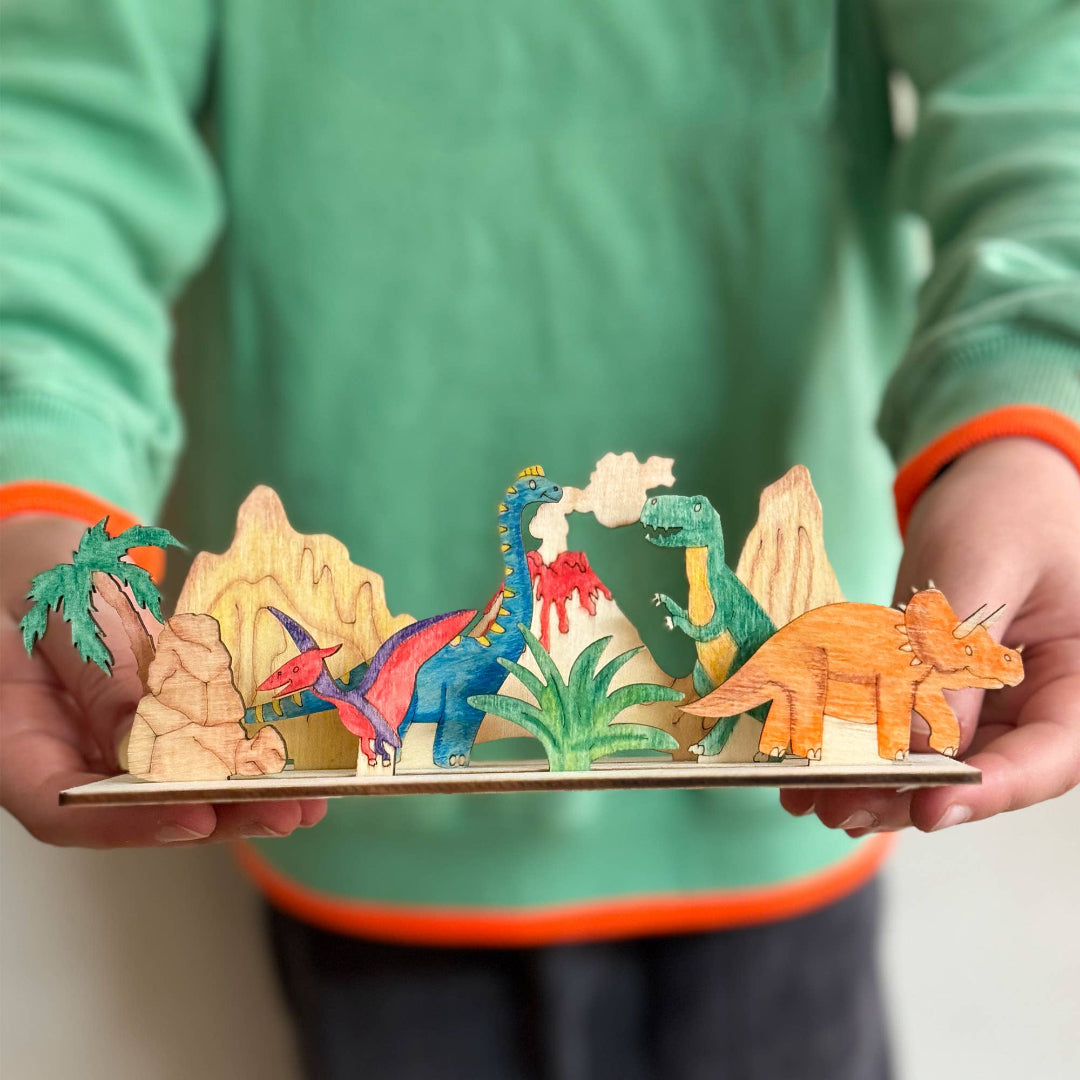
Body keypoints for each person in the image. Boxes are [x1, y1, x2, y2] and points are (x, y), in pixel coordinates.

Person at [2, 2, 1078, 1078]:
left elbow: (1041, 71)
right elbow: (52, 136)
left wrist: (1027, 427)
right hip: (356, 837)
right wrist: (35, 471)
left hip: (783, 818)